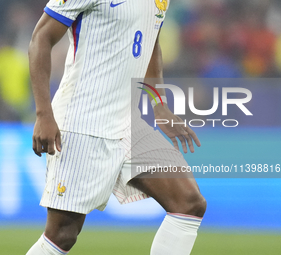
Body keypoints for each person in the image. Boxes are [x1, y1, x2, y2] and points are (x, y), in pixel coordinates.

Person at [26, 0, 207, 254]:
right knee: (62, 234)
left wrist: (159, 104)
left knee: (189, 203)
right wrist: (44, 114)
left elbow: (149, 40)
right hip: (83, 120)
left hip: (128, 123)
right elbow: (40, 38)